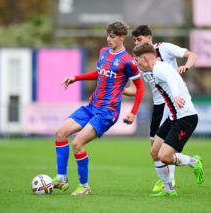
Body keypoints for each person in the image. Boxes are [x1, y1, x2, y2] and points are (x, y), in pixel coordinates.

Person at [52, 20, 145, 195]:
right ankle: (61, 178)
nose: (108, 40)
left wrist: (133, 112)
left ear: (122, 37)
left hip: (107, 112)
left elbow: (140, 87)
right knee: (60, 133)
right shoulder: (103, 52)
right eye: (107, 36)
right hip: (91, 106)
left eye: (112, 37)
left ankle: (84, 186)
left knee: (78, 143)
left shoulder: (128, 61)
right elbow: (99, 72)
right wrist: (76, 77)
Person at [122, 25, 198, 192]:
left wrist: (187, 67)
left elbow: (187, 59)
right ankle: (166, 183)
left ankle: (170, 180)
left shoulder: (161, 52)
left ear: (149, 39)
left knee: (165, 151)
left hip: (173, 105)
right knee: (154, 150)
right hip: (160, 104)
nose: (136, 43)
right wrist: (120, 90)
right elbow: (136, 89)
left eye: (139, 40)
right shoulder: (141, 61)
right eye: (134, 40)